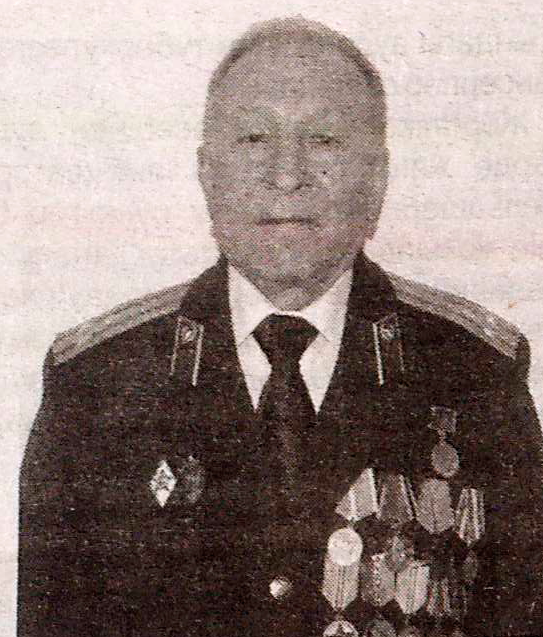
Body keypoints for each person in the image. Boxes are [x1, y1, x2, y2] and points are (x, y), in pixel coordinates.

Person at [18, 17, 543, 637]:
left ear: (377, 179)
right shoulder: (99, 386)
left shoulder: (474, 376)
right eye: (254, 138)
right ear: (206, 173)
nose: (287, 174)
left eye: (323, 140)